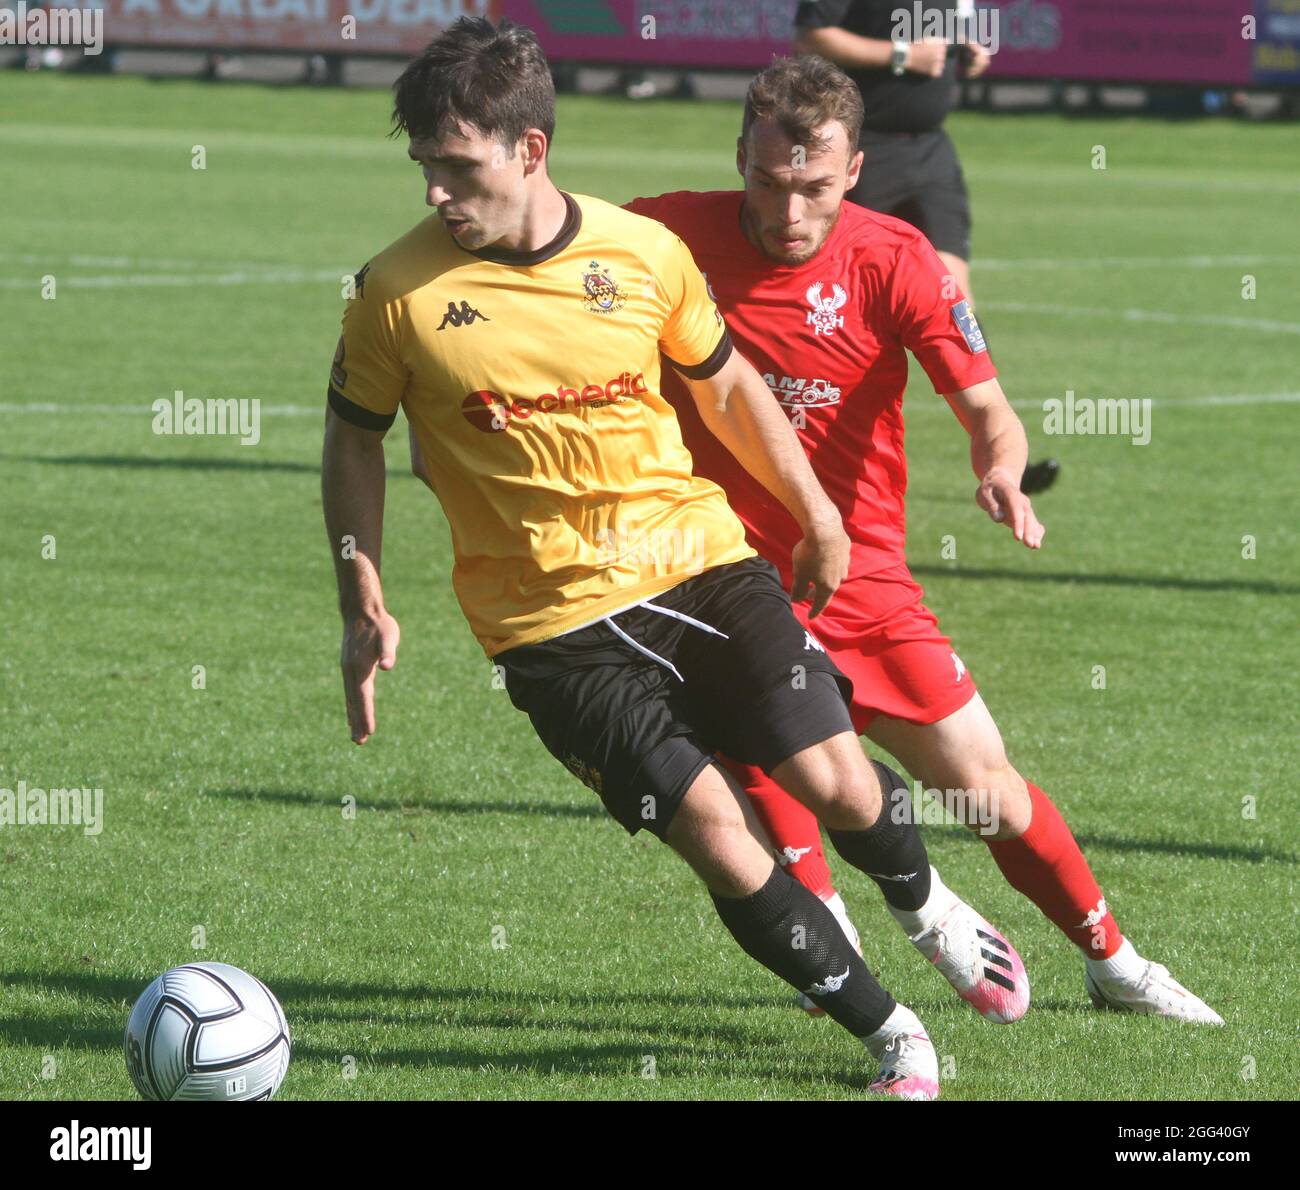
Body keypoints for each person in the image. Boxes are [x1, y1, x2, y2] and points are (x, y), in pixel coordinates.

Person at [325, 16, 1029, 1100]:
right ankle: (892, 1033)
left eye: (456, 166)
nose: (434, 193)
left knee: (840, 780)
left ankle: (922, 900)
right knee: (717, 831)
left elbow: (731, 388)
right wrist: (357, 586)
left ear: (529, 150)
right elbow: (354, 436)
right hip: (546, 627)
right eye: (423, 166)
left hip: (696, 560)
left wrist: (815, 516)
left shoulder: (642, 254)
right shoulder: (393, 294)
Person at [610, 54, 1220, 1025]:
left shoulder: (896, 258)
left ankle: (1115, 961)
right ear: (738, 156)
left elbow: (988, 407)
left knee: (989, 791)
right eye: (767, 182)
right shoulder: (659, 235)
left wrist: (999, 464)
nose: (788, 210)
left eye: (813, 187)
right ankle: (836, 935)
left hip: (860, 578)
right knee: (764, 753)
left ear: (853, 171)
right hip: (718, 580)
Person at [792, 0, 1058, 494]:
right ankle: (807, 444)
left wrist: (966, 47)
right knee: (839, 302)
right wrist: (900, 55)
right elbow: (811, 36)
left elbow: (939, 25)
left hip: (931, 151)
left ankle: (1000, 459)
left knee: (955, 295)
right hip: (862, 150)